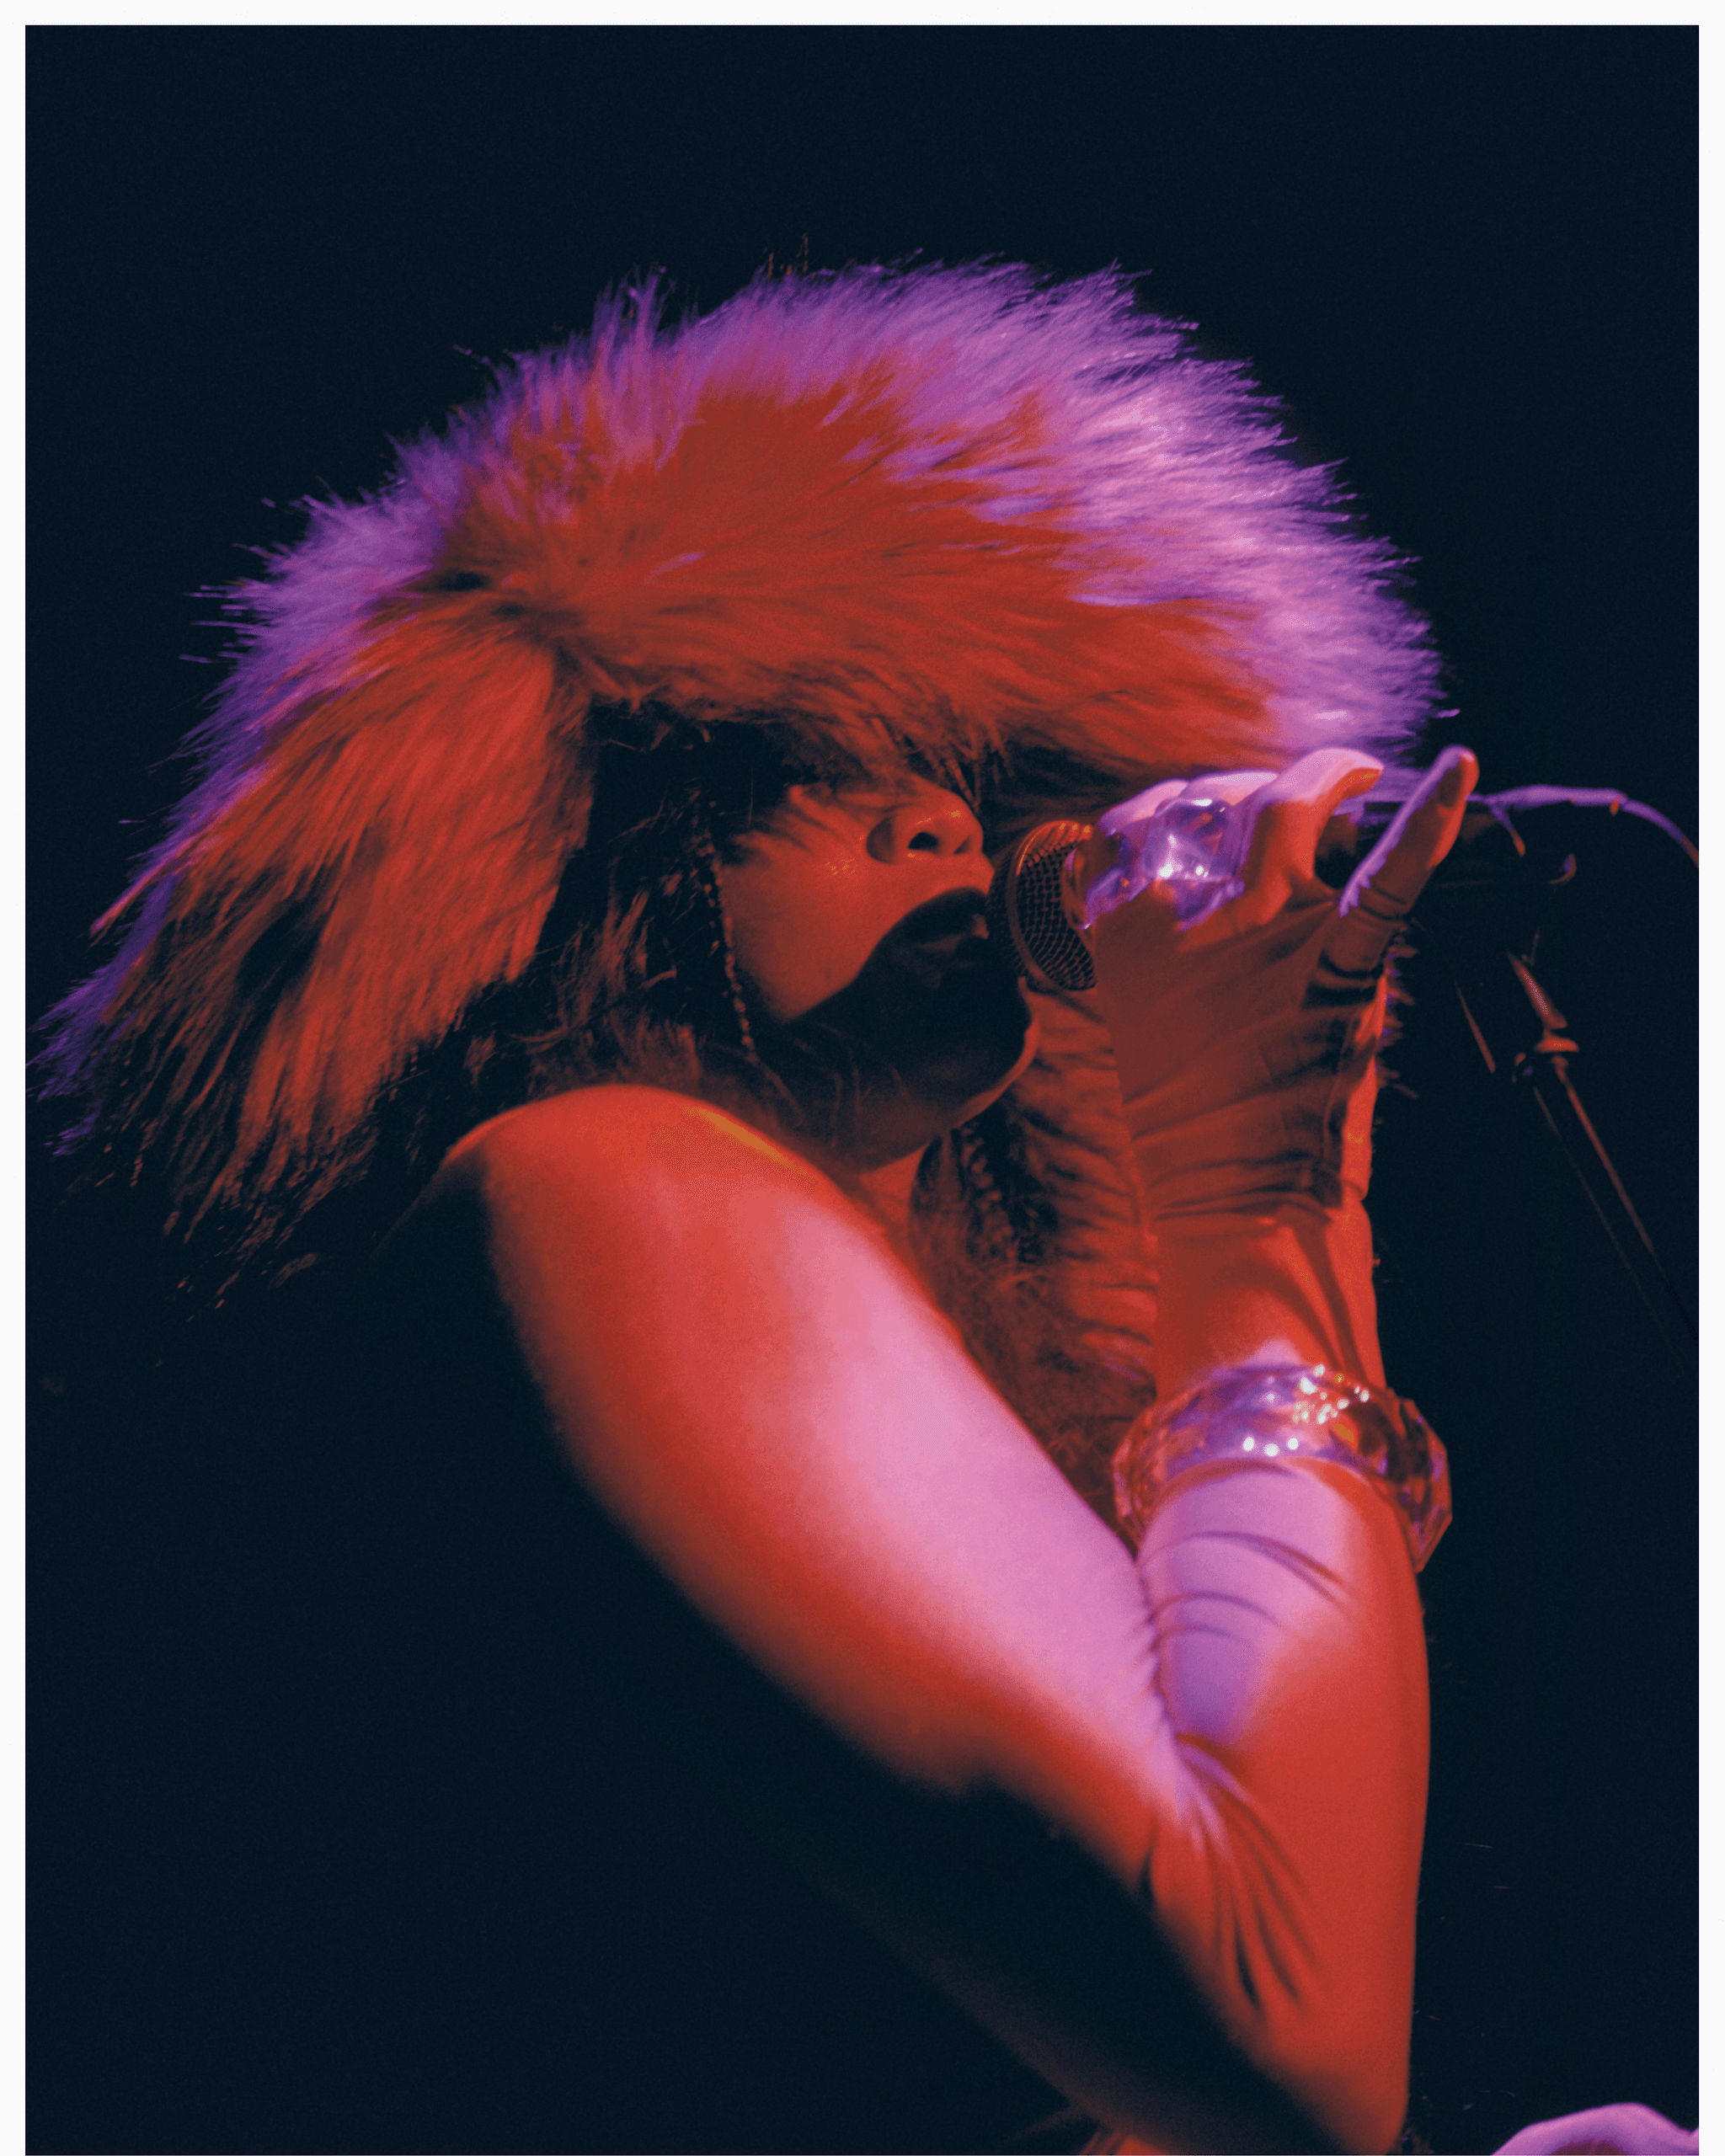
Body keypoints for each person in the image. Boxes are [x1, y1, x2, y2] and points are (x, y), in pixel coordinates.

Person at [43, 264, 1685, 2155]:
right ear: (573, 863)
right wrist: (1251, 1178)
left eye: (964, 779)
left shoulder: (844, 1360)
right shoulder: (601, 1177)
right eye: (802, 772)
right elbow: (1281, 2037)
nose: (943, 830)